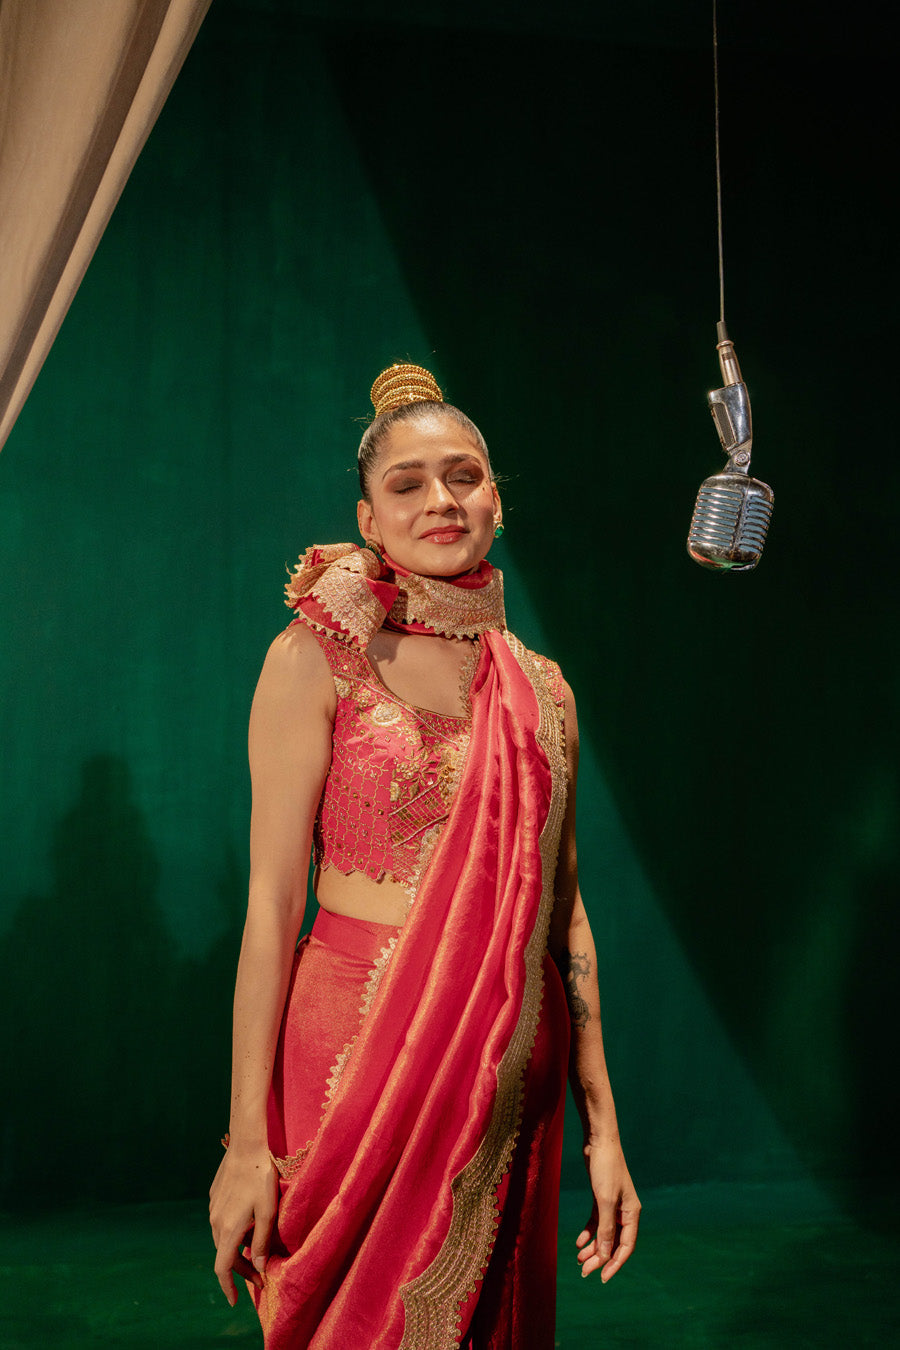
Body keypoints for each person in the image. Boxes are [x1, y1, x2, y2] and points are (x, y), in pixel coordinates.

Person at [208, 363, 640, 1348]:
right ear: (368, 520)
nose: (440, 499)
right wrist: (244, 1143)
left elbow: (563, 919)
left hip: (504, 1085)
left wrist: (605, 1133)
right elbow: (273, 908)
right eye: (407, 484)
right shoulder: (315, 659)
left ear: (496, 499)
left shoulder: (543, 691)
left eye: (463, 476)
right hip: (350, 1057)